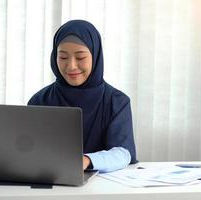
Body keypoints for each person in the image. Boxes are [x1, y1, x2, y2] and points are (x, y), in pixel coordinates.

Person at [28, 20, 137, 173]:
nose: (71, 66)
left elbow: (122, 153)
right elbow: (26, 150)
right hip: (49, 184)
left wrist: (86, 160)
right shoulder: (39, 100)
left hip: (102, 189)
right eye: (63, 57)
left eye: (80, 57)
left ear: (95, 56)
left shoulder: (117, 101)